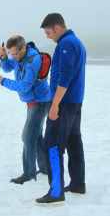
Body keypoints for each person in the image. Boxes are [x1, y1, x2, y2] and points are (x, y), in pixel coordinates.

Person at [36, 13, 86, 203]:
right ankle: (77, 183)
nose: (48, 36)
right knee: (74, 142)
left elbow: (64, 79)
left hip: (64, 103)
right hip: (74, 102)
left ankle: (56, 191)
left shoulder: (67, 44)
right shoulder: (76, 42)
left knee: (52, 144)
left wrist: (55, 104)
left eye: (48, 32)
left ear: (56, 27)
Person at [0, 35, 51, 184]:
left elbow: (24, 86)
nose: (13, 56)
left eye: (15, 53)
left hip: (40, 102)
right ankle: (45, 168)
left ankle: (28, 173)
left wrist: (3, 81)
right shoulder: (18, 57)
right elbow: (7, 67)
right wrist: (3, 57)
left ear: (23, 47)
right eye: (11, 53)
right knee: (36, 136)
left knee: (27, 137)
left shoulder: (32, 62)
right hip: (32, 102)